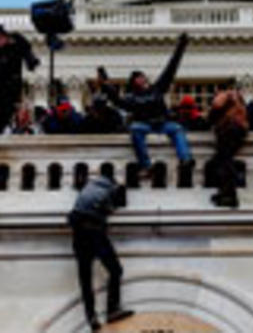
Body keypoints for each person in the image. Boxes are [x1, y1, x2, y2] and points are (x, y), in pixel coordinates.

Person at [101, 33, 193, 174]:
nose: (142, 79)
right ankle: (145, 164)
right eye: (138, 78)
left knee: (177, 129)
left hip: (162, 123)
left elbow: (171, 68)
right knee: (135, 129)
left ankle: (185, 159)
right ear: (133, 83)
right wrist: (107, 85)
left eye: (143, 77)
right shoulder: (131, 98)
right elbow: (117, 101)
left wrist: (180, 47)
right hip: (145, 125)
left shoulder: (158, 89)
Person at [68, 175, 133, 331]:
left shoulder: (89, 185)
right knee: (116, 270)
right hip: (94, 232)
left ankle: (92, 318)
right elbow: (110, 208)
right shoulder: (111, 190)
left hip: (78, 233)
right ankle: (113, 310)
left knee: (86, 279)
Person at [0, 25, 40, 133]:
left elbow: (26, 50)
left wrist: (31, 61)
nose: (0, 41)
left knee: (8, 113)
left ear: (6, 37)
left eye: (2, 38)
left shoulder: (16, 44)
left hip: (11, 88)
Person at [206, 87, 248, 208]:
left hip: (229, 129)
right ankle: (225, 192)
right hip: (236, 129)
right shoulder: (237, 100)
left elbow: (216, 106)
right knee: (223, 160)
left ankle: (229, 195)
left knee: (225, 161)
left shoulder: (226, 95)